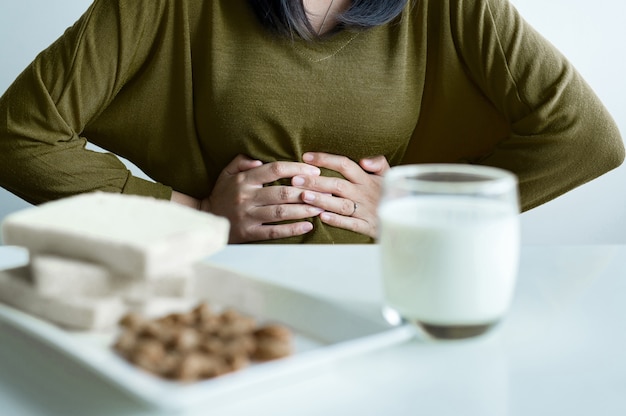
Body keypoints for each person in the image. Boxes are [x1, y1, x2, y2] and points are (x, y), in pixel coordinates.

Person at [0, 0, 623, 244]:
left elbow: (585, 139)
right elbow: (18, 137)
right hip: (217, 288)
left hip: (383, 296)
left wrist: (416, 207)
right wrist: (190, 215)